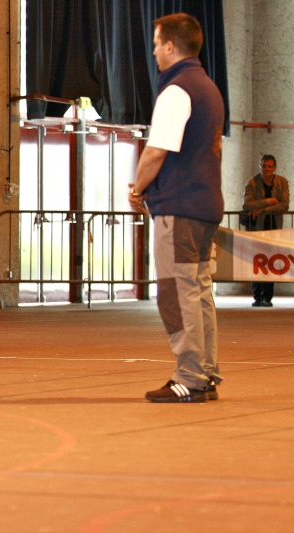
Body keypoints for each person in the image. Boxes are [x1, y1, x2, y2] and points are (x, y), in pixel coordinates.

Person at [128, 13, 224, 402]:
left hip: (180, 209)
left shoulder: (176, 90)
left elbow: (156, 151)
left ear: (170, 46)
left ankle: (190, 377)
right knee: (199, 292)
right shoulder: (209, 88)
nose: (153, 50)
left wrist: (138, 188)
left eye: (156, 43)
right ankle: (206, 373)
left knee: (176, 294)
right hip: (205, 206)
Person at [242, 154, 290, 307]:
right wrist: (269, 201)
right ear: (260, 167)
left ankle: (267, 297)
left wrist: (262, 208)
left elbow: (284, 205)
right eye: (264, 166)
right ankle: (257, 296)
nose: (267, 169)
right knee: (255, 262)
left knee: (271, 262)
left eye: (270, 166)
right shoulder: (251, 183)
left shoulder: (282, 182)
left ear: (274, 168)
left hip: (274, 227)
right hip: (257, 228)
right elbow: (247, 205)